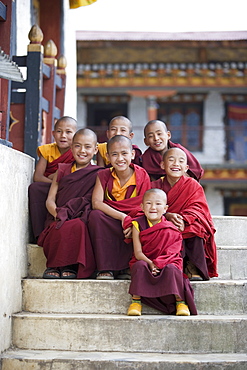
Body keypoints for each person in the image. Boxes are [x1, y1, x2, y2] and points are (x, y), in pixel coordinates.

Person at [38, 128, 102, 279]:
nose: (82, 151)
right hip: (58, 215)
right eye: (78, 146)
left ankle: (70, 265)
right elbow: (50, 199)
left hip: (81, 217)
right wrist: (58, 214)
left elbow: (93, 201)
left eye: (87, 147)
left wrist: (71, 216)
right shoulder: (62, 169)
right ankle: (54, 264)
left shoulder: (99, 173)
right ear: (72, 147)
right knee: (58, 226)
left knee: (77, 226)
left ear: (95, 149)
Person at [88, 135, 150, 280]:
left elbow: (145, 205)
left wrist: (132, 222)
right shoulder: (103, 175)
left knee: (142, 223)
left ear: (132, 154)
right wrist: (122, 217)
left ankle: (126, 268)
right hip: (112, 219)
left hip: (133, 220)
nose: (120, 158)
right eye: (114, 154)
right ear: (108, 157)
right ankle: (106, 268)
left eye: (124, 153)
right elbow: (96, 203)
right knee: (95, 216)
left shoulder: (142, 175)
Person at [127, 188, 197, 316]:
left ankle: (180, 302)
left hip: (166, 262)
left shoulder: (171, 228)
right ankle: (136, 301)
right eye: (148, 203)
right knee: (139, 265)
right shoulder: (137, 224)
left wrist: (159, 264)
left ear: (165, 209)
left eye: (158, 204)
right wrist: (151, 264)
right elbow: (138, 253)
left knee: (173, 268)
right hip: (146, 261)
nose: (153, 207)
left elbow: (173, 253)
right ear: (142, 207)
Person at [152, 147, 218, 281]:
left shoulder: (193, 185)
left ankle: (192, 265)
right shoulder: (155, 186)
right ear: (163, 165)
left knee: (197, 227)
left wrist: (184, 219)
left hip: (185, 222)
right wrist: (167, 215)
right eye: (171, 160)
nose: (176, 164)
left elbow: (199, 208)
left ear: (186, 167)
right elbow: (147, 207)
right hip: (162, 222)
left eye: (181, 161)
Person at [28, 116, 77, 240]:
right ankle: (39, 233)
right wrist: (54, 181)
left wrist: (57, 178)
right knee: (35, 188)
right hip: (49, 185)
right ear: (53, 134)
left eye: (68, 132)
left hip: (68, 188)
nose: (63, 136)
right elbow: (37, 176)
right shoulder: (47, 150)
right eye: (59, 131)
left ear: (76, 135)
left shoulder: (77, 152)